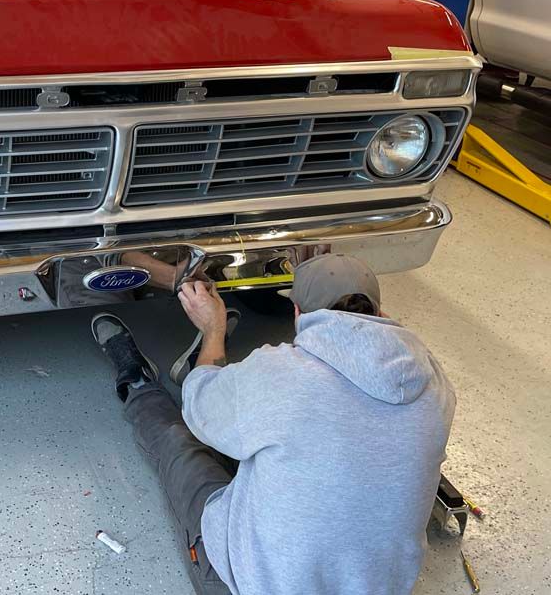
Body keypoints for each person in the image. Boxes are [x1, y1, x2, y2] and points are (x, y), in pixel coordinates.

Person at [90, 254, 455, 595]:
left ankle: (138, 382)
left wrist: (212, 329)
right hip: (377, 586)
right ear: (378, 311)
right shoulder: (434, 380)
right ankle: (218, 382)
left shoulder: (283, 373)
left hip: (245, 584)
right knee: (280, 440)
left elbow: (199, 411)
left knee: (183, 448)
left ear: (296, 312)